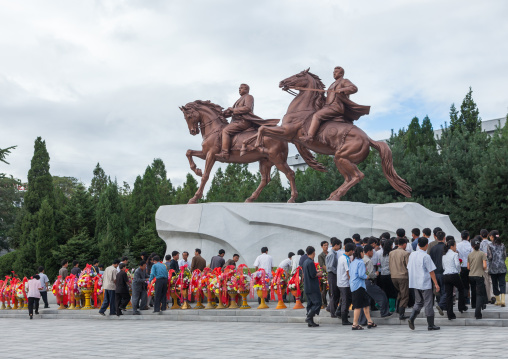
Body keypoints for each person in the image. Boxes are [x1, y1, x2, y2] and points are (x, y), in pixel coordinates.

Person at [299, 66, 369, 142]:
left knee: (317, 115)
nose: (334, 73)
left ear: (341, 73)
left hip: (336, 107)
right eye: (333, 72)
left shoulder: (344, 81)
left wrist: (342, 89)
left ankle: (310, 136)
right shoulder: (332, 84)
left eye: (336, 72)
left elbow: (354, 88)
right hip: (327, 107)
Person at [217, 83, 277, 160]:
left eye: (241, 88)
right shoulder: (238, 100)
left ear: (246, 89)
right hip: (236, 121)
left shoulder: (249, 97)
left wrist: (233, 110)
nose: (239, 89)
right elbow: (231, 112)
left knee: (225, 130)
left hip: (243, 121)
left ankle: (225, 153)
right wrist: (223, 113)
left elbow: (247, 108)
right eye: (239, 88)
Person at [407, 237, 442, 331]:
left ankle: (411, 318)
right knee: (428, 303)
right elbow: (431, 271)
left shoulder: (412, 254)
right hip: (424, 282)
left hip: (414, 282)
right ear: (426, 245)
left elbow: (408, 267)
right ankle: (430, 324)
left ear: (418, 244)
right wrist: (436, 284)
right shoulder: (426, 256)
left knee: (418, 302)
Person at [350, 246, 377, 330]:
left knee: (366, 304)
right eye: (362, 252)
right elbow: (361, 275)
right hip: (359, 286)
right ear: (360, 253)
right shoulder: (360, 262)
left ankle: (370, 321)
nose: (363, 254)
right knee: (358, 306)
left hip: (355, 285)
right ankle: (355, 324)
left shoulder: (353, 262)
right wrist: (367, 276)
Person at [362, 244, 391, 318]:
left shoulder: (361, 259)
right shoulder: (368, 261)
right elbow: (370, 274)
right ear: (368, 251)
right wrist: (376, 274)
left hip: (362, 283)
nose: (373, 253)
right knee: (382, 295)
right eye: (372, 251)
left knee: (365, 301)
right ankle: (384, 312)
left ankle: (363, 319)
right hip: (369, 282)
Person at [442, 239, 467, 320]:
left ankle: (450, 314)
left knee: (449, 295)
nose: (456, 247)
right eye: (455, 246)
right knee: (461, 289)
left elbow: (443, 267)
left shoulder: (444, 255)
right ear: (452, 246)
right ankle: (461, 306)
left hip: (446, 275)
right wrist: (458, 270)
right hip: (453, 274)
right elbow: (457, 264)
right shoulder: (454, 254)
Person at [389, 237, 410, 320]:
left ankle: (398, 309)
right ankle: (401, 313)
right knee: (404, 295)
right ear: (404, 244)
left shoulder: (391, 253)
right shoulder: (405, 253)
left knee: (399, 293)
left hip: (393, 276)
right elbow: (408, 266)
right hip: (402, 276)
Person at [302, 246, 323, 327]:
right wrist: (319, 273)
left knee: (310, 304)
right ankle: (309, 317)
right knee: (317, 303)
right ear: (313, 253)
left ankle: (310, 321)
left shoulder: (305, 261)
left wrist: (315, 271)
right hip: (312, 286)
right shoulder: (310, 262)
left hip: (307, 286)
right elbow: (313, 275)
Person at [468, 236, 488, 319]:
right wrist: (481, 268)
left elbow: (468, 267)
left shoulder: (470, 255)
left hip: (471, 275)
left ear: (472, 246)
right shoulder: (482, 254)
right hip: (479, 275)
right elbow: (485, 266)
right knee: (479, 294)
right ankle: (477, 313)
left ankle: (474, 304)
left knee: (473, 291)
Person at [487, 230, 506, 307]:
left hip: (493, 268)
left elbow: (490, 257)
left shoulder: (490, 246)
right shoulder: (502, 245)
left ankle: (498, 301)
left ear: (492, 237)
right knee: (502, 284)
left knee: (495, 284)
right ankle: (503, 300)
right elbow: (504, 256)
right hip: (502, 267)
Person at [429, 231, 447, 314]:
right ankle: (442, 305)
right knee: (445, 290)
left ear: (436, 237)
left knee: (438, 289)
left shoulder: (433, 248)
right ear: (444, 237)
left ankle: (441, 305)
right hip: (444, 271)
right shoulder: (446, 247)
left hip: (435, 272)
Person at [337, 243, 355, 325]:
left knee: (345, 299)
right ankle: (344, 319)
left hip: (340, 282)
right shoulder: (346, 259)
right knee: (346, 300)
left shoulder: (341, 257)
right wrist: (352, 281)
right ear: (350, 251)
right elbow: (348, 272)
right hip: (345, 283)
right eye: (353, 251)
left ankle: (339, 311)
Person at [378, 240, 397, 312]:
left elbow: (379, 264)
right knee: (392, 291)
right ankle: (392, 307)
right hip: (390, 274)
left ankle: (379, 304)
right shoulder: (392, 254)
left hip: (382, 274)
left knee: (385, 291)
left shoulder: (381, 254)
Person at [326, 238, 341, 318]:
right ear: (336, 245)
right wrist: (338, 273)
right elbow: (331, 267)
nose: (339, 247)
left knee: (335, 293)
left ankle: (330, 308)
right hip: (332, 275)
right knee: (334, 293)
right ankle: (333, 312)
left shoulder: (333, 253)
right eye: (339, 245)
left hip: (332, 274)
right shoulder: (332, 254)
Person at [457, 230, 472, 304]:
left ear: (461, 237)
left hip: (461, 266)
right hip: (470, 266)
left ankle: (465, 299)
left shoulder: (458, 245)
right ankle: (471, 298)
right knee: (471, 283)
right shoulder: (470, 245)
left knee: (464, 283)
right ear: (468, 237)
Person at [479, 229, 495, 303]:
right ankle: (493, 295)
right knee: (491, 281)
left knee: (486, 282)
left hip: (484, 265)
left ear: (480, 236)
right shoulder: (491, 243)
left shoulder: (480, 244)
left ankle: (488, 298)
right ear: (488, 235)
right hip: (491, 265)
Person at [318, 240, 329, 308]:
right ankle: (324, 303)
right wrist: (329, 271)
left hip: (331, 273)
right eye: (325, 245)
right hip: (325, 275)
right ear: (322, 247)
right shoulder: (320, 255)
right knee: (324, 290)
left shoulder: (329, 253)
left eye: (327, 245)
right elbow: (322, 265)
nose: (326, 246)